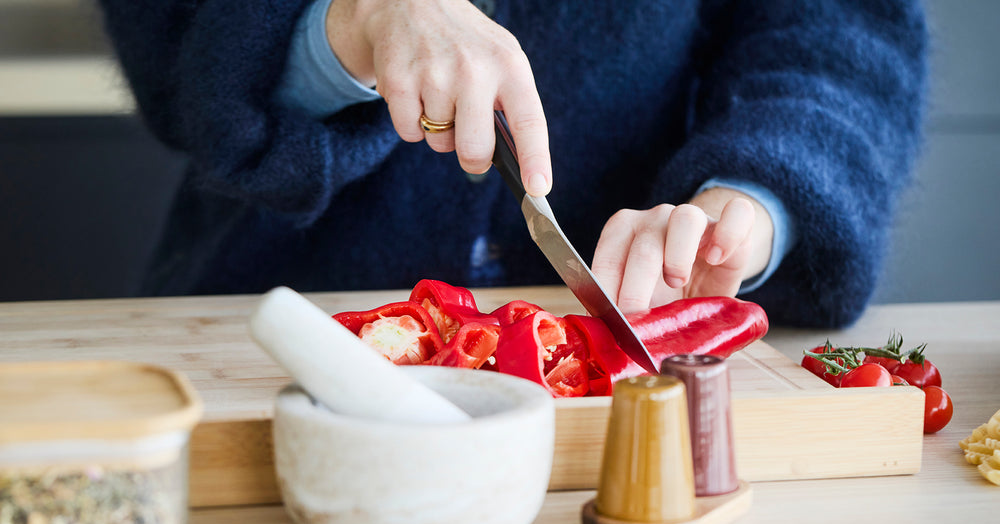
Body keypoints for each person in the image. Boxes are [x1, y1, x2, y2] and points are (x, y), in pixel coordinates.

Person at [96, 0, 928, 328]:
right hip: (259, 331)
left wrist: (756, 194)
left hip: (633, 356)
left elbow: (836, 32)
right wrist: (354, 21)